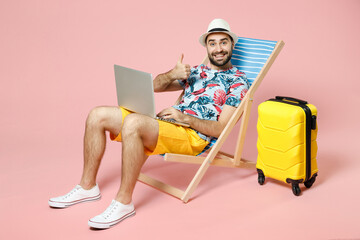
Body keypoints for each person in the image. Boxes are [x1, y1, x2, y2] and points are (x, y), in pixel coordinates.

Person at [49, 18, 249, 229]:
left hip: (193, 136)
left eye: (223, 42)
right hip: (169, 122)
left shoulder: (237, 82)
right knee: (97, 115)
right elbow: (154, 86)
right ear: (206, 47)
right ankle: (87, 187)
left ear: (232, 45)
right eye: (213, 43)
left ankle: (124, 202)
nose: (218, 48)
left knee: (134, 123)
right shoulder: (197, 71)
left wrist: (185, 118)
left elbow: (221, 128)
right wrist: (173, 74)